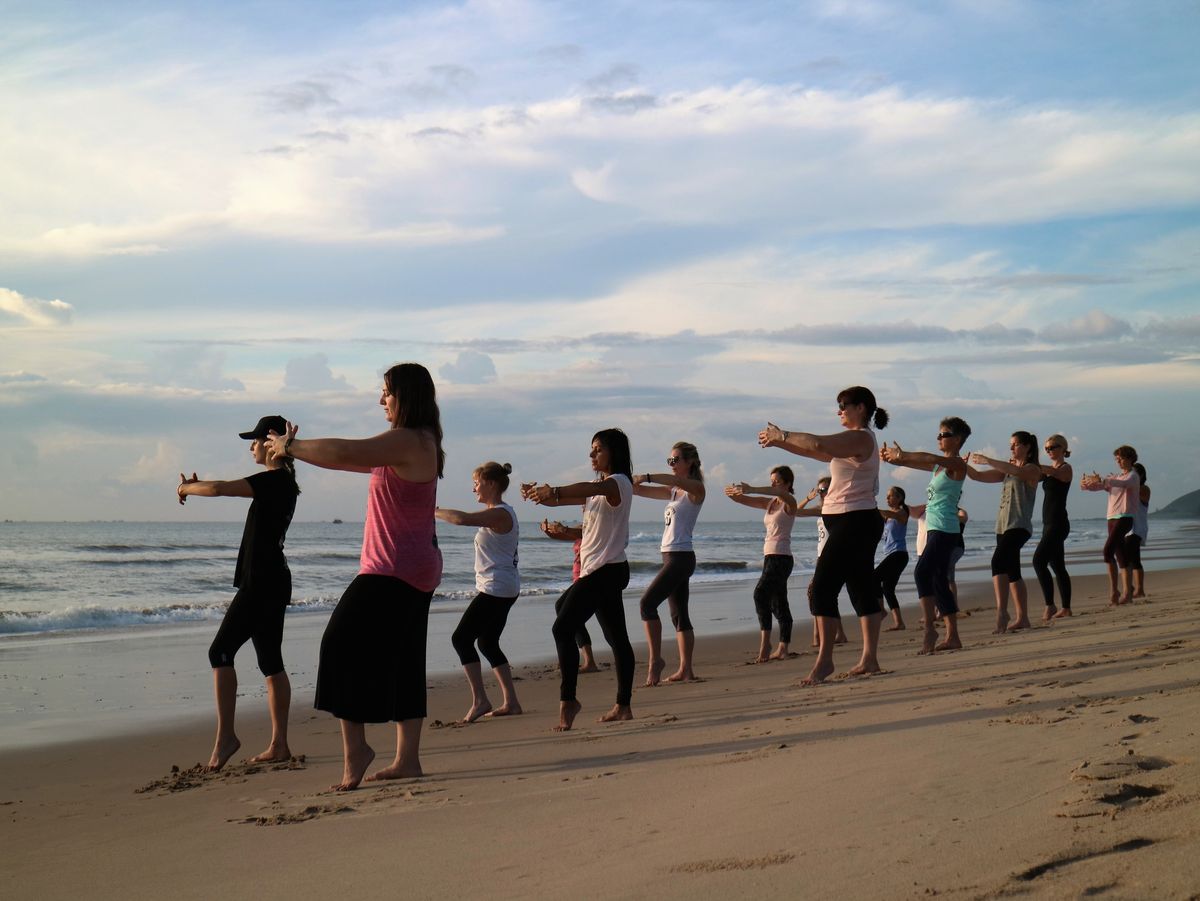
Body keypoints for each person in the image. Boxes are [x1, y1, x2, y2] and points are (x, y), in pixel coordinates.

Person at [263, 363, 443, 791]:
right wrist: (299, 450)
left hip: (392, 568)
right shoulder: (417, 441)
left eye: (386, 393)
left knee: (338, 645)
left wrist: (291, 446)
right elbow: (344, 461)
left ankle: (356, 751)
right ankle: (408, 760)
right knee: (404, 661)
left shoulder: (409, 439)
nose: (381, 400)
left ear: (406, 395)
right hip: (414, 566)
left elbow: (346, 452)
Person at [178, 415, 299, 772]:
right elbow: (222, 486)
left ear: (271, 442)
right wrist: (198, 486)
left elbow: (219, 489)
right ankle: (279, 744)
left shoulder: (275, 481)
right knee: (270, 661)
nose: (251, 447)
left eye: (255, 440)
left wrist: (186, 489)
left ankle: (226, 738)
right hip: (273, 580)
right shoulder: (284, 482)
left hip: (262, 582)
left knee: (220, 651)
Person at [759, 385, 889, 684]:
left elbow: (817, 442)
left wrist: (783, 435)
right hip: (852, 521)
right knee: (860, 588)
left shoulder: (859, 436)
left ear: (861, 408)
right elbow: (814, 451)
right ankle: (869, 659)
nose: (839, 410)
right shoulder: (851, 442)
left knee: (821, 589)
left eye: (843, 405)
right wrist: (780, 444)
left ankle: (825, 661)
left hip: (854, 521)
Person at [522, 429, 636, 731]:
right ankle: (623, 706)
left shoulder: (619, 483)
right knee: (616, 639)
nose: (591, 455)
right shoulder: (597, 488)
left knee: (562, 625)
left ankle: (568, 700)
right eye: (591, 449)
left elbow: (574, 490)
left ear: (614, 452)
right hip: (599, 568)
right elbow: (568, 510)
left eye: (598, 449)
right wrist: (540, 498)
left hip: (607, 570)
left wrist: (555, 489)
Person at [435, 462, 522, 722]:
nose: (474, 487)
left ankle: (481, 700)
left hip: (497, 588)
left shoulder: (501, 513)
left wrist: (433, 511)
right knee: (486, 642)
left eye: (477, 482)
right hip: (502, 586)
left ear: (492, 484)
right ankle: (512, 702)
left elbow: (463, 519)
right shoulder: (498, 513)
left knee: (461, 639)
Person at [880, 416, 971, 653]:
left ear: (958, 439)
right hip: (934, 529)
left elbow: (928, 458)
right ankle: (953, 636)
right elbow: (919, 463)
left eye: (944, 434)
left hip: (946, 529)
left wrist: (903, 454)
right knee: (938, 579)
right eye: (939, 434)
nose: (939, 438)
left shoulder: (958, 465)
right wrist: (896, 459)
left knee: (922, 572)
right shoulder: (940, 467)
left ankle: (930, 629)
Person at [632, 442, 705, 685]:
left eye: (675, 460)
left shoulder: (696, 490)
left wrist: (648, 476)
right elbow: (639, 492)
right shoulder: (674, 492)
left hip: (680, 558)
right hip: (670, 556)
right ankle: (686, 670)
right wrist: (626, 483)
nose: (672, 465)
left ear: (690, 462)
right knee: (679, 614)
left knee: (647, 604)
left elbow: (678, 483)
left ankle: (655, 661)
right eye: (670, 461)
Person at [969, 432, 1041, 634]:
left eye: (1015, 445)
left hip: (1019, 526)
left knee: (997, 562)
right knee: (1012, 572)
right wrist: (961, 465)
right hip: (1002, 526)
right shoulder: (1008, 471)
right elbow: (977, 476)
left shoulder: (1032, 469)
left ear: (1027, 447)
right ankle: (1023, 618)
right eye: (1010, 445)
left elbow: (1015, 470)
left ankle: (1001, 611)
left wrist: (988, 460)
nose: (1011, 448)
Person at [724, 467, 798, 663]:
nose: (773, 484)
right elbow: (744, 500)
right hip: (769, 557)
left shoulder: (790, 503)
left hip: (781, 558)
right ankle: (783, 647)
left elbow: (780, 494)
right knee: (778, 602)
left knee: (760, 594)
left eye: (776, 481)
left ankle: (766, 645)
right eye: (771, 480)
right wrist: (733, 495)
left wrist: (752, 488)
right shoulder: (770, 503)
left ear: (788, 483)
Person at [1081, 446, 1140, 605]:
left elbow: (1124, 483)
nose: (1118, 461)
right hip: (1111, 518)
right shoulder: (1116, 477)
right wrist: (1087, 484)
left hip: (1125, 517)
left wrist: (1104, 480)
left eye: (1121, 458)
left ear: (1129, 458)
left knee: (1108, 551)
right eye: (1117, 459)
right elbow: (1100, 486)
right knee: (1121, 555)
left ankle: (1115, 591)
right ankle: (1126, 593)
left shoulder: (1133, 476)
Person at [539, 519, 600, 672]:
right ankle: (577, 659)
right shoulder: (582, 527)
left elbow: (582, 533)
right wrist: (548, 531)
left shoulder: (594, 528)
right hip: (578, 581)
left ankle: (575, 659)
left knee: (564, 611)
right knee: (569, 615)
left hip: (588, 579)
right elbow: (562, 536)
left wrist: (564, 528)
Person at [1032, 434, 1073, 620]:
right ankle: (1066, 608)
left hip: (1058, 524)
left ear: (1063, 448)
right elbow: (1031, 476)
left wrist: (1032, 464)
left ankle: (1050, 605)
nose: (1049, 451)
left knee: (1038, 561)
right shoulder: (1047, 471)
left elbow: (1054, 473)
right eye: (1047, 448)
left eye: (1053, 447)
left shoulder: (1065, 468)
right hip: (1048, 523)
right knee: (1057, 565)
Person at [876, 486, 910, 632]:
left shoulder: (902, 513)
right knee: (888, 589)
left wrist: (873, 508)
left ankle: (881, 610)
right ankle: (899, 622)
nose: (887, 499)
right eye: (887, 496)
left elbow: (892, 514)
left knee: (874, 578)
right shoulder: (888, 517)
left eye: (890, 496)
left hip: (899, 554)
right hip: (891, 554)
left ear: (899, 498)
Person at [1128, 463, 1150, 598]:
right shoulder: (1130, 487)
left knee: (1134, 558)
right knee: (1125, 559)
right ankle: (1129, 587)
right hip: (1127, 528)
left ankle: (1140, 589)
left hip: (1137, 527)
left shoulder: (1144, 488)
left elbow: (1139, 494)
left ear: (1141, 475)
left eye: (1133, 473)